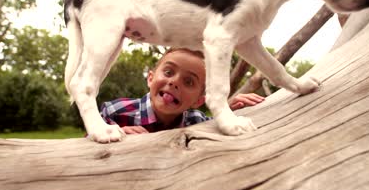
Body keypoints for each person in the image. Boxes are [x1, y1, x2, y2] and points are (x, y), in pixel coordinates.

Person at [100, 48, 265, 134]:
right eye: (169, 72)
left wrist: (229, 111)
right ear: (150, 78)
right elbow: (89, 142)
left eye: (189, 81)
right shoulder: (115, 111)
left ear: (199, 101)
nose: (174, 82)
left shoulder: (197, 121)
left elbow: (216, 125)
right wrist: (116, 135)